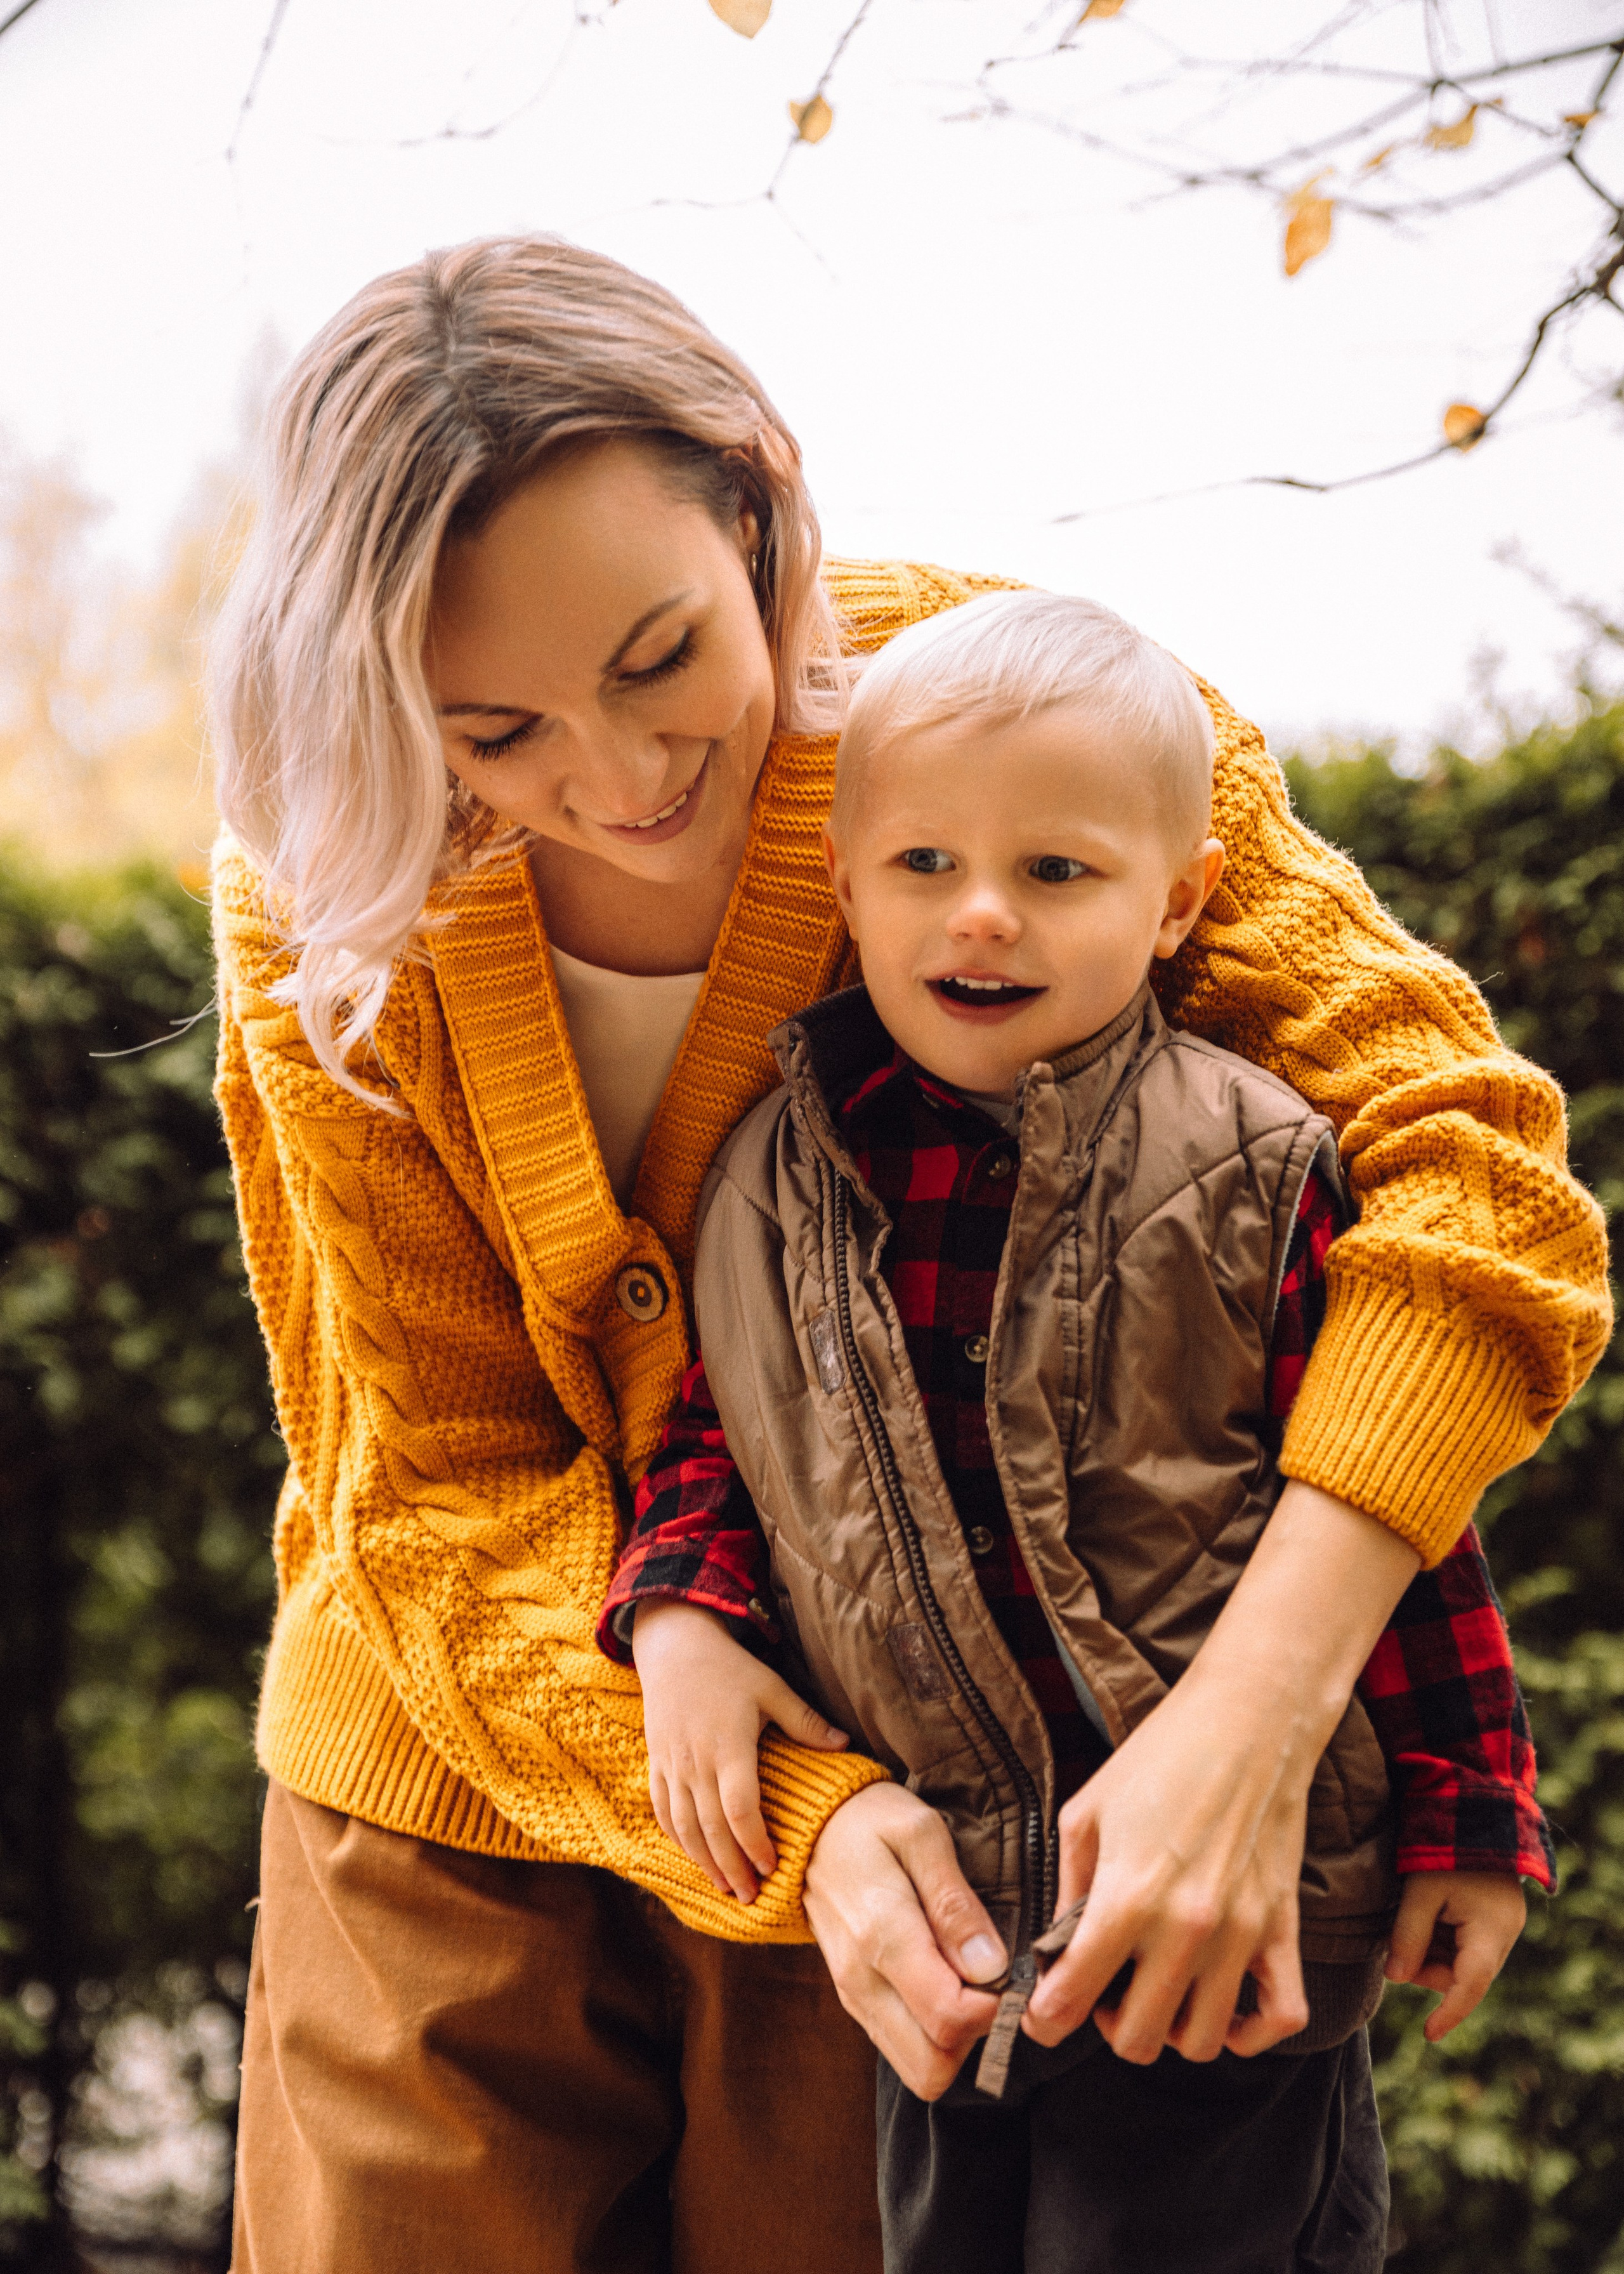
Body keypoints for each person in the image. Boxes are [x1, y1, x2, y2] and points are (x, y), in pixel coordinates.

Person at [206, 235, 1609, 2274]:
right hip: (454, 1800)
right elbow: (439, 1482)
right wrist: (794, 1808)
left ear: (756, 498)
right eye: (492, 731)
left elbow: (1477, 1190)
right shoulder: (330, 886)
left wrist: (1248, 1724)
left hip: (942, 1831)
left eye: (662, 657)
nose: (618, 782)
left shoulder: (1030, 727)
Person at [597, 591, 1557, 2271]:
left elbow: (1397, 1506)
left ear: (1175, 901)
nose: (982, 915)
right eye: (924, 864)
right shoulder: (764, 1185)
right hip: (959, 1934)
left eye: (1056, 871)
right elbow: (720, 1439)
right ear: (845, 884)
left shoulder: (1255, 1162)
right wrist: (678, 1613)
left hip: (1228, 1940)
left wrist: (1469, 1808)